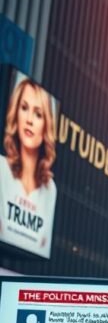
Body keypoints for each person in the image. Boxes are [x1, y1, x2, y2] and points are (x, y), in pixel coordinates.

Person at [0, 76, 58, 255]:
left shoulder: (50, 190)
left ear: (46, 124)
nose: (29, 120)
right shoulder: (1, 169)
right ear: (16, 112)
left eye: (38, 114)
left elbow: (42, 244)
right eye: (24, 108)